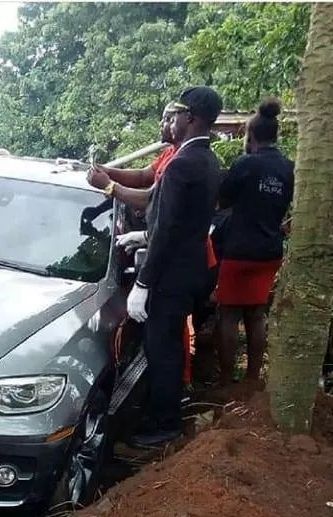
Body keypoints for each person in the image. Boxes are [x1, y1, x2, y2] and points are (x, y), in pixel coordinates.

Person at [126, 86, 222, 446]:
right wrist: (143, 237)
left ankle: (163, 424)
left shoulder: (182, 164)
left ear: (191, 118)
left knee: (162, 348)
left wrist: (143, 283)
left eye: (174, 115)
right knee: (169, 346)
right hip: (191, 266)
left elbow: (166, 228)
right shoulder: (206, 160)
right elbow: (178, 221)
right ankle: (166, 411)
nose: (169, 121)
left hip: (173, 272)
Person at [216, 98, 294, 387]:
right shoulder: (289, 168)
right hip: (270, 250)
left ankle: (226, 380)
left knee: (228, 314)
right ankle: (251, 380)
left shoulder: (245, 163)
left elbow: (222, 200)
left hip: (239, 250)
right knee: (256, 314)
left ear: (251, 136)